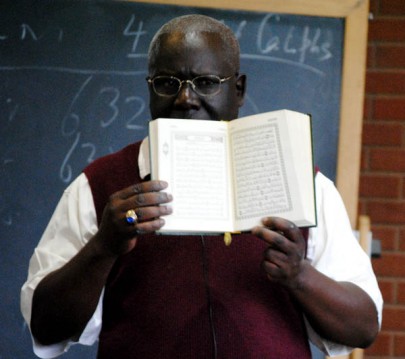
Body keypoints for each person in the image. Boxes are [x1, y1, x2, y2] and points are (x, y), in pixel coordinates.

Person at [21, 14, 383, 358]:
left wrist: (299, 274)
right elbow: (46, 326)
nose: (185, 99)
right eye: (167, 83)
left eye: (207, 83)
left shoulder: (306, 183)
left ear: (238, 90)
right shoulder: (100, 185)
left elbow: (363, 326)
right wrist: (104, 246)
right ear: (150, 88)